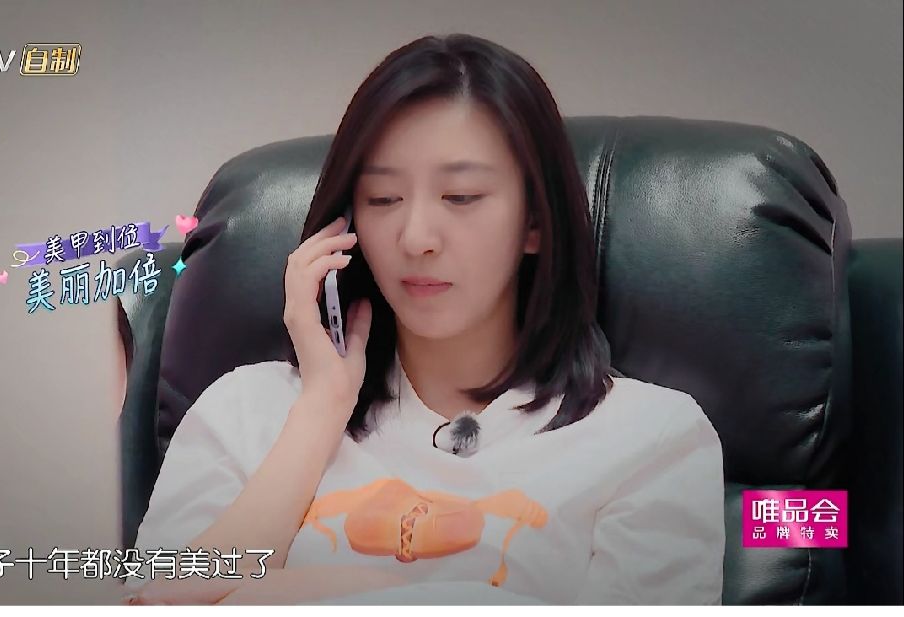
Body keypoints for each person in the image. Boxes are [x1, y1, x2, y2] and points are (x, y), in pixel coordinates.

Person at [125, 32, 725, 605]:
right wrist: (320, 409)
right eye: (383, 199)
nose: (415, 238)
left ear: (535, 222)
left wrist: (325, 594)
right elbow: (153, 599)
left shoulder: (651, 438)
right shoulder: (246, 409)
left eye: (461, 197)